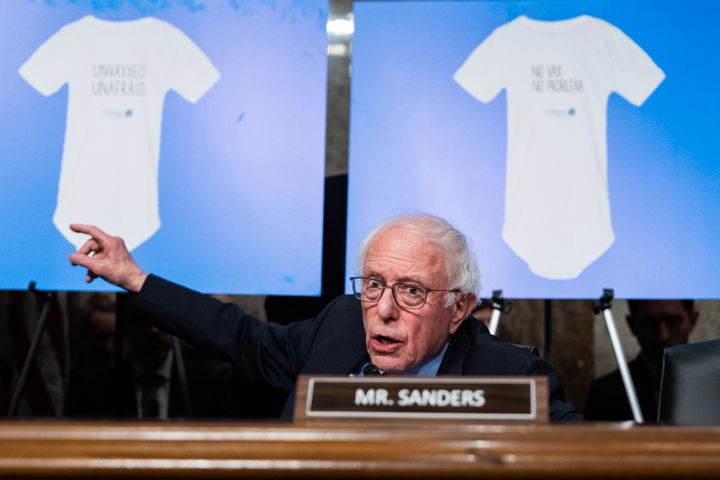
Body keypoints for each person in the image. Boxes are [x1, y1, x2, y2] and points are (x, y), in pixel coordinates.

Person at [68, 214, 581, 421]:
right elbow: (240, 336)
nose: (382, 310)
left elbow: (593, 455)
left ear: (459, 308)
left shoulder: (511, 378)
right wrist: (135, 279)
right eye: (374, 285)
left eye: (411, 292)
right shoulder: (339, 326)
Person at [584, 300, 699, 422]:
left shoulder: (713, 382)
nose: (663, 335)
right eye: (651, 323)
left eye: (673, 322)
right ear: (631, 324)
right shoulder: (605, 394)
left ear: (692, 320)